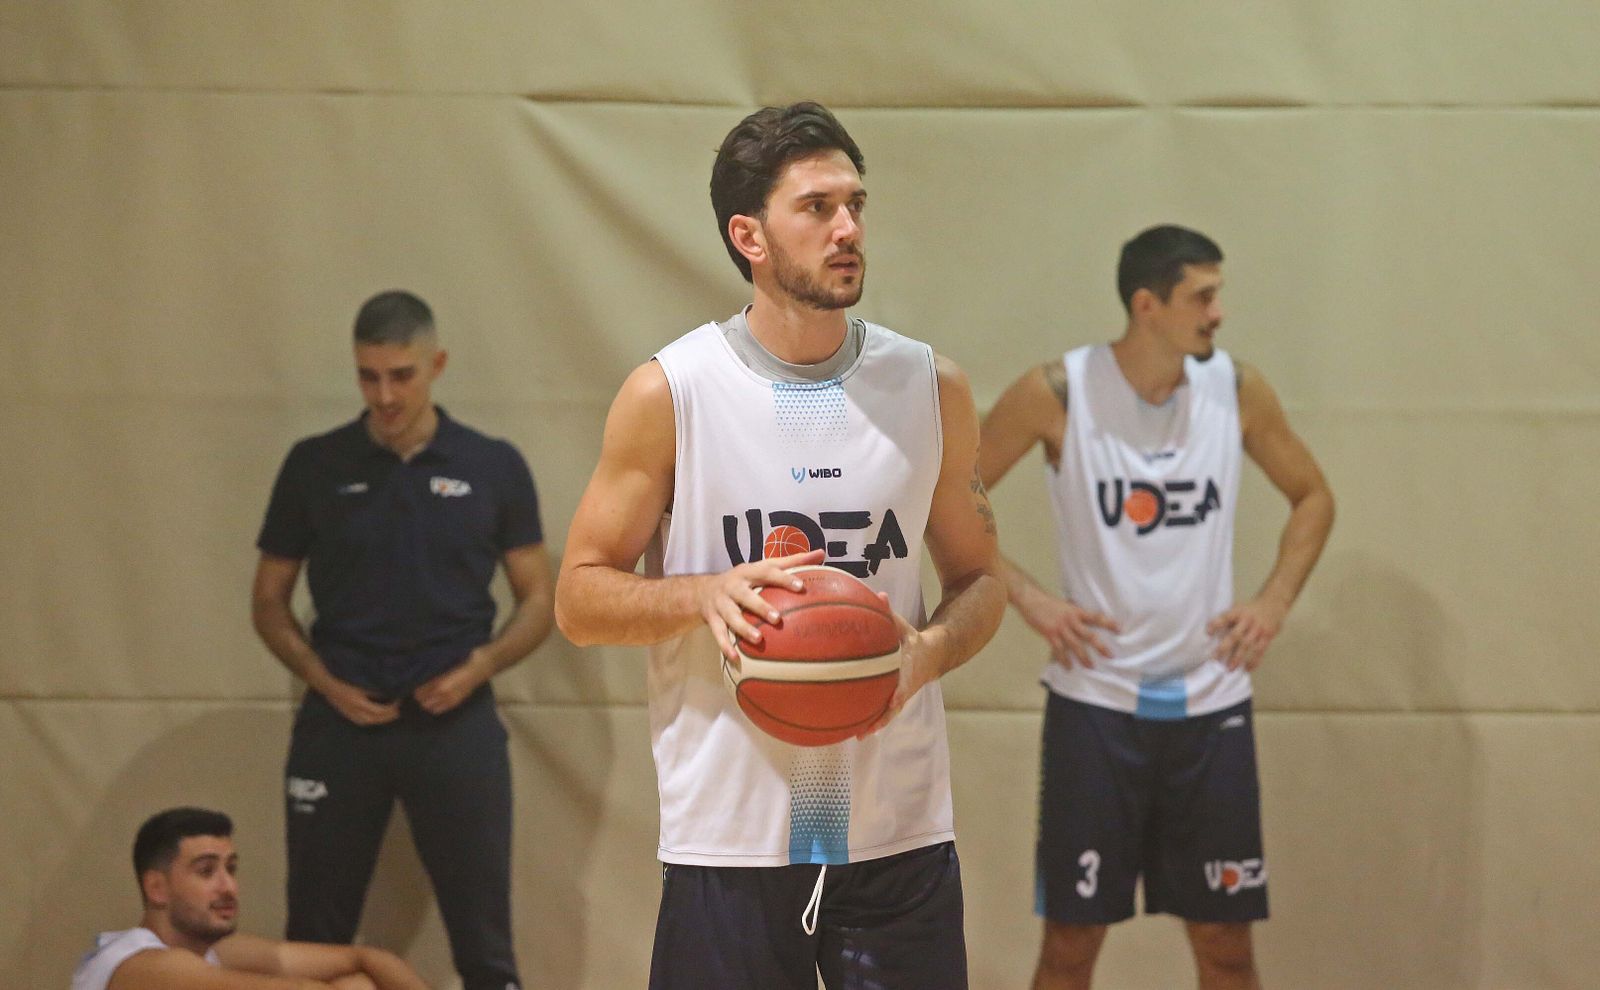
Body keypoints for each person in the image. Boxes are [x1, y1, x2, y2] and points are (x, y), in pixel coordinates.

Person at [554, 101, 1005, 990]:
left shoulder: (928, 387)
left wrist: (927, 651)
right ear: (748, 235)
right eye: (817, 207)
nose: (848, 228)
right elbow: (577, 598)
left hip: (897, 833)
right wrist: (701, 594)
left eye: (857, 204)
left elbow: (984, 578)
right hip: (731, 837)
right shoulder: (671, 391)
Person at [978, 225, 1335, 990]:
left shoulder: (1236, 389)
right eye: (1202, 297)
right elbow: (950, 509)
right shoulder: (1059, 390)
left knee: (1226, 948)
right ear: (1148, 305)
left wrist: (1272, 602)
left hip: (1211, 706)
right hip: (1096, 709)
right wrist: (1032, 599)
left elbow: (1314, 497)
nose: (1218, 313)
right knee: (1070, 950)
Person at [251, 291, 553, 990]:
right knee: (314, 941)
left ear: (436, 365)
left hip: (455, 722)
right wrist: (324, 683)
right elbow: (268, 603)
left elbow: (538, 599)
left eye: (401, 376)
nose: (384, 395)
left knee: (485, 946)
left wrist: (479, 668)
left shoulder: (492, 465)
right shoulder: (315, 465)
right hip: (340, 721)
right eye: (368, 376)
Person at [71, 807, 430, 990]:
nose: (229, 887)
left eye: (231, 868)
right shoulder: (142, 967)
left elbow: (366, 957)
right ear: (157, 889)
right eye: (206, 871)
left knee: (359, 983)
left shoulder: (214, 952)